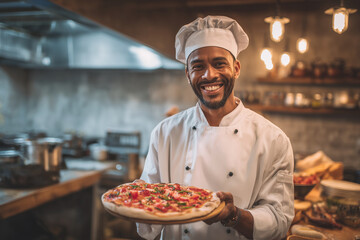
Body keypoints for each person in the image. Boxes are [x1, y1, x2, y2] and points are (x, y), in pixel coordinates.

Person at [136, 15, 294, 240]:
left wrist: (234, 215)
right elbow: (147, 209)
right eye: (198, 66)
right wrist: (137, 199)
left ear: (236, 68)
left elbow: (279, 220)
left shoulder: (273, 139)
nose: (209, 74)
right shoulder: (165, 133)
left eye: (219, 63)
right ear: (187, 74)